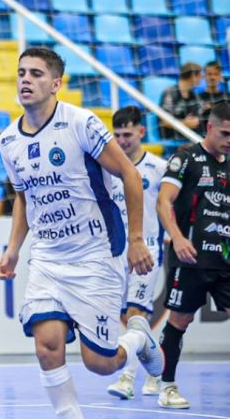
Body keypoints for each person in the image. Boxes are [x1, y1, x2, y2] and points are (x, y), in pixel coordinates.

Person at [0, 47, 163, 419]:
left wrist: (137, 238)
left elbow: (130, 175)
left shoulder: (80, 123)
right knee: (46, 346)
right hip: (48, 257)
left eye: (36, 74)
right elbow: (24, 198)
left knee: (101, 364)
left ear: (56, 84)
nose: (26, 79)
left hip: (96, 253)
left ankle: (138, 337)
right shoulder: (8, 141)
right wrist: (13, 250)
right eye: (22, 72)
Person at [154, 102, 230, 409]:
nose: (229, 139)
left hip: (224, 261)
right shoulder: (186, 158)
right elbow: (163, 202)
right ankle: (166, 385)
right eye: (225, 133)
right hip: (190, 259)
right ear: (210, 127)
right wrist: (178, 238)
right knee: (179, 320)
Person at [105, 106, 167, 400]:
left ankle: (127, 378)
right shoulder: (108, 167)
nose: (122, 140)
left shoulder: (158, 168)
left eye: (127, 134)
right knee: (126, 318)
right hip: (116, 254)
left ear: (142, 132)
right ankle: (157, 371)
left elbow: (167, 208)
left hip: (147, 250)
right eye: (117, 135)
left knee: (135, 315)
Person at [160, 62, 204, 140]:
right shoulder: (170, 93)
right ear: (193, 76)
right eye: (200, 76)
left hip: (192, 136)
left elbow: (199, 117)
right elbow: (164, 122)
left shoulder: (194, 95)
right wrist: (184, 123)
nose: (201, 78)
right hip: (173, 137)